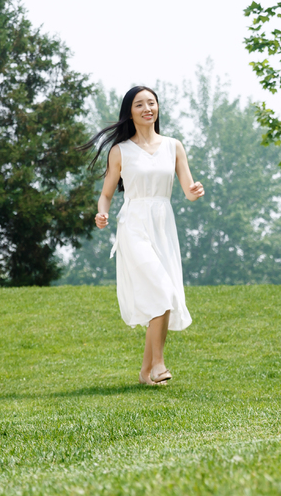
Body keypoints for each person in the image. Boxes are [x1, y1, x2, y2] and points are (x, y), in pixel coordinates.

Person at [82, 86, 204, 385]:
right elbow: (107, 193)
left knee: (162, 295)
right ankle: (160, 366)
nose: (147, 108)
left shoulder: (173, 146)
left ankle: (145, 371)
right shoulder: (120, 151)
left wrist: (195, 191)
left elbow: (188, 190)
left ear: (158, 109)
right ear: (130, 112)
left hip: (163, 225)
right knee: (161, 291)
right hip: (133, 225)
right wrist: (102, 214)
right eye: (140, 104)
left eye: (152, 103)